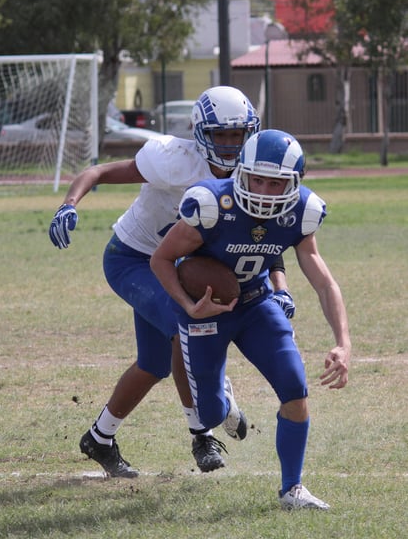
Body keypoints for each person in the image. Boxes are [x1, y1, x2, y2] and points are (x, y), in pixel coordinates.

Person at [48, 87, 295, 477]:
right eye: (221, 135)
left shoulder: (250, 175)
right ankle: (203, 431)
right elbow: (97, 172)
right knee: (187, 330)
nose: (231, 146)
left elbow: (264, 239)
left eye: (238, 135)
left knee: (153, 364)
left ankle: (99, 437)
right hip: (133, 259)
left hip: (182, 263)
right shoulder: (173, 161)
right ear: (200, 134)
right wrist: (69, 203)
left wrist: (281, 289)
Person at [150, 129, 351, 509]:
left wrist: (343, 340)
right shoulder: (211, 203)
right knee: (208, 413)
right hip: (205, 311)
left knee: (295, 387)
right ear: (240, 172)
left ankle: (292, 489)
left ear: (294, 183)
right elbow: (161, 259)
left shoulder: (301, 211)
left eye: (275, 183)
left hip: (257, 303)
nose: (262, 189)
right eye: (256, 178)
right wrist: (188, 306)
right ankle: (222, 396)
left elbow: (324, 282)